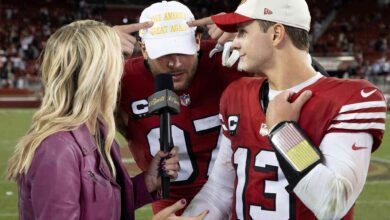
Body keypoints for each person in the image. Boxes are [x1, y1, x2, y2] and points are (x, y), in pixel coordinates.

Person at [183, 0, 387, 219]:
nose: (235, 43)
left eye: (243, 32)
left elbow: (332, 204)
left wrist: (283, 130)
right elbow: (219, 190)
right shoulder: (236, 95)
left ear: (276, 34)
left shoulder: (350, 99)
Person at [6, 20, 183, 220]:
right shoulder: (57, 150)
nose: (121, 72)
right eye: (116, 62)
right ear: (98, 75)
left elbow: (104, 208)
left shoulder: (97, 133)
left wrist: (147, 183)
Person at [115, 1, 245, 214]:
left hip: (237, 197)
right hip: (171, 206)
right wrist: (95, 49)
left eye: (182, 51)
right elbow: (69, 112)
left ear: (196, 39)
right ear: (145, 49)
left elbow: (300, 78)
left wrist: (248, 35)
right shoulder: (122, 79)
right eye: (164, 53)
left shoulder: (228, 59)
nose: (174, 63)